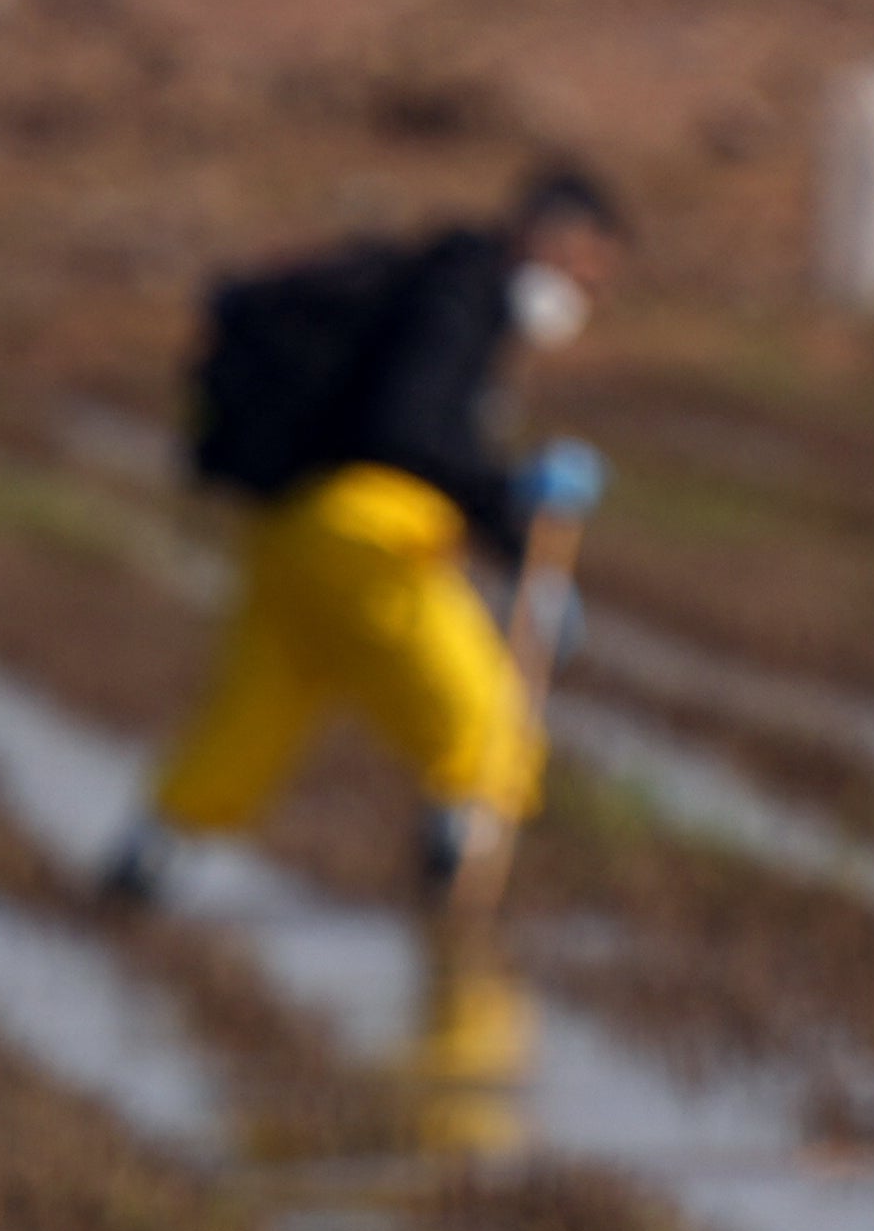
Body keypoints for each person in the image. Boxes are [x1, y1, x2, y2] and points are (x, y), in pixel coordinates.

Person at [103, 167, 626, 912]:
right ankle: (453, 910)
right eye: (587, 272)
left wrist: (507, 537)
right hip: (366, 534)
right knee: (484, 726)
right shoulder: (460, 293)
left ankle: (139, 868)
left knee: (248, 723)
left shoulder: (417, 284)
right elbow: (408, 431)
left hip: (285, 537)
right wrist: (509, 507)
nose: (587, 296)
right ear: (552, 239)